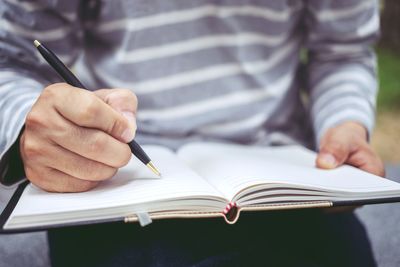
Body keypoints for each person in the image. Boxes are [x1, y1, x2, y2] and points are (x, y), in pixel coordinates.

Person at [0, 0, 384, 266]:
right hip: (114, 183)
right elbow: (12, 61)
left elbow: (343, 50)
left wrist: (344, 123)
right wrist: (33, 127)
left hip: (285, 183)